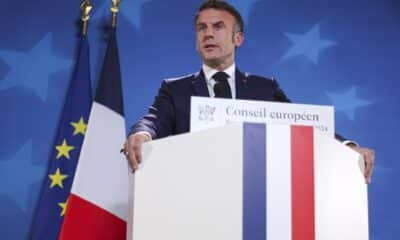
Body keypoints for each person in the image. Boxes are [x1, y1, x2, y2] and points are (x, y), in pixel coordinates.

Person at [123, 0, 374, 183]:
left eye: (218, 26)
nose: (208, 33)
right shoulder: (174, 89)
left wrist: (347, 146)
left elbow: (304, 125)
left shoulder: (264, 88)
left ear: (238, 38)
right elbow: (152, 121)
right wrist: (142, 134)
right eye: (201, 28)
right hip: (193, 192)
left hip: (253, 196)